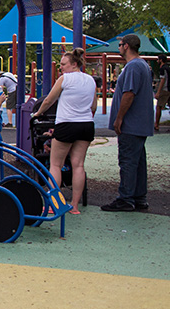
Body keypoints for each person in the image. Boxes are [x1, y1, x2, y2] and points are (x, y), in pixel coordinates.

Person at [33, 48, 96, 214]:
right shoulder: (90, 80)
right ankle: (74, 206)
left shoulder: (65, 79)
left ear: (74, 64)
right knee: (78, 165)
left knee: (55, 164)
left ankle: (54, 205)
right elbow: (93, 105)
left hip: (67, 123)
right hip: (86, 124)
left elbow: (49, 100)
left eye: (63, 64)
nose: (60, 67)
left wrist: (38, 113)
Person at [102, 34, 155, 212]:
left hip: (131, 123)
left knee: (128, 161)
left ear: (126, 46)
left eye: (120, 44)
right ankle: (139, 197)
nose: (119, 48)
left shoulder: (133, 66)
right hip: (140, 123)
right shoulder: (143, 65)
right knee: (138, 161)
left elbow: (129, 93)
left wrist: (119, 118)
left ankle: (126, 198)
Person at [155, 54, 169, 132]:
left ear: (161, 60)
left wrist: (158, 92)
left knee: (159, 107)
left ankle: (156, 124)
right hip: (169, 89)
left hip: (165, 89)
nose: (157, 61)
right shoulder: (168, 68)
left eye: (158, 59)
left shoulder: (162, 69)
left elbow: (163, 80)